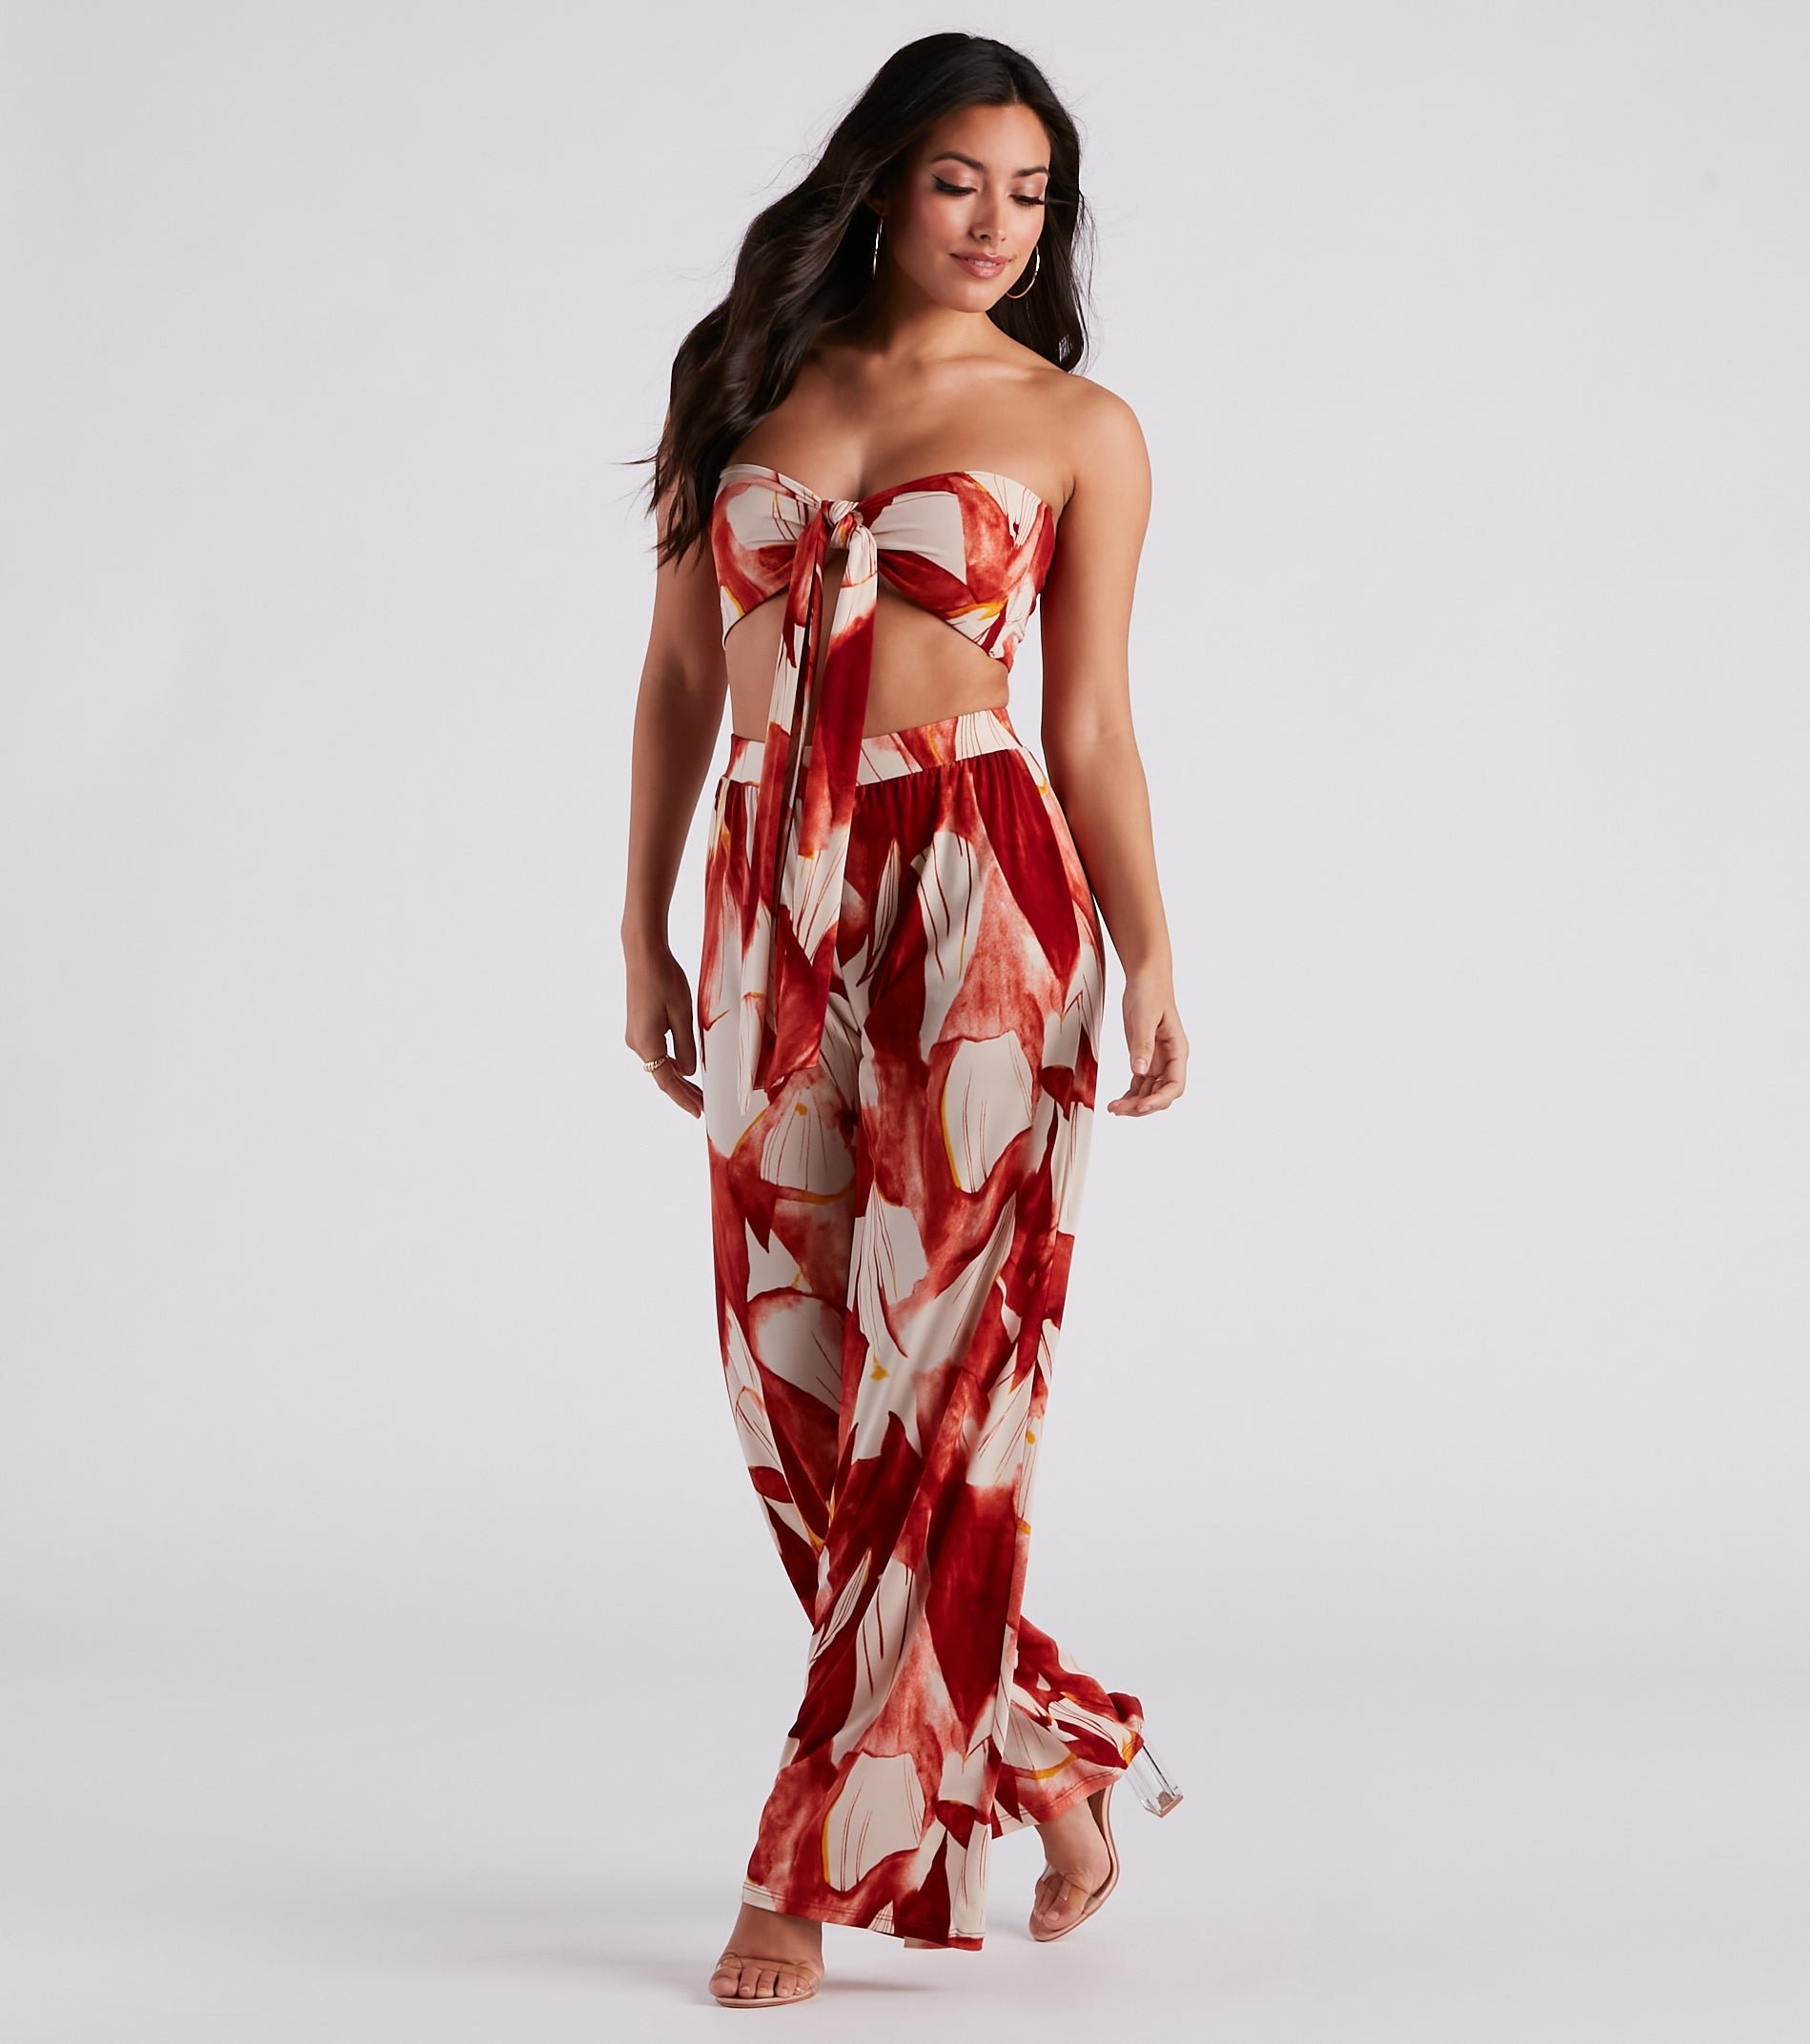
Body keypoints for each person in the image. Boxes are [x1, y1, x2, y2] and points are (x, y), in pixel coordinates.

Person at [620, 31, 1190, 2010]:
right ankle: (1050, 1748)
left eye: (1031, 195)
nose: (996, 224)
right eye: (961, 180)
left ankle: (806, 1869)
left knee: (936, 1397)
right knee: (792, 1390)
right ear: (878, 181)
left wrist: (1151, 951)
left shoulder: (1077, 425)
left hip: (980, 893)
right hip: (768, 889)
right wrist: (640, 928)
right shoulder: (739, 375)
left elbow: (1089, 720)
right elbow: (679, 672)